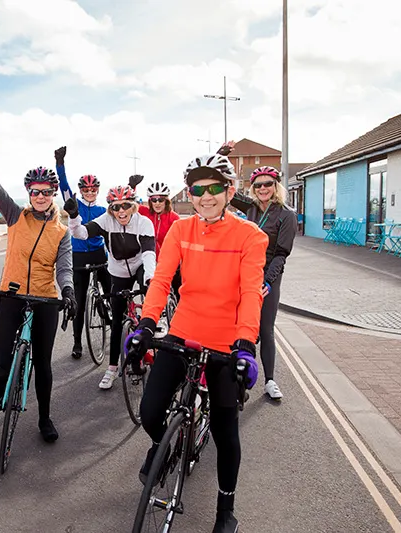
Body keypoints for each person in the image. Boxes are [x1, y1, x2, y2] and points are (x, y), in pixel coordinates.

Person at [126, 153, 268, 533]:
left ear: (230, 190)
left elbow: (252, 292)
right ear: (189, 193)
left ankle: (226, 509)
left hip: (226, 341)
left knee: (226, 431)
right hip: (183, 332)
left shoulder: (251, 236)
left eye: (214, 188)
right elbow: (161, 281)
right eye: (197, 189)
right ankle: (163, 445)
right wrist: (145, 325)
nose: (205, 196)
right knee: (151, 410)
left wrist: (245, 346)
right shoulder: (181, 230)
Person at [0, 133, 75, 443]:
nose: (41, 196)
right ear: (28, 193)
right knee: (3, 365)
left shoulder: (61, 230)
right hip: (11, 295)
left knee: (44, 364)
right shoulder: (14, 215)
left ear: (53, 194)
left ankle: (45, 418)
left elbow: (64, 267)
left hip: (45, 299)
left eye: (47, 192)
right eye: (35, 192)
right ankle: (1, 382)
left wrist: (68, 291)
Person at [63, 186, 156, 390]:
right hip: (118, 271)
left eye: (125, 206)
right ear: (111, 209)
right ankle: (112, 368)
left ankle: (151, 334)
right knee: (116, 322)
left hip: (140, 265)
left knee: (149, 297)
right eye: (115, 207)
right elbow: (80, 233)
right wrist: (73, 215)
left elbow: (149, 253)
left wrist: (150, 278)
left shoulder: (143, 222)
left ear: (133, 206)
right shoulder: (106, 221)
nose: (121, 211)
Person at [230, 165, 297, 400]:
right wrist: (222, 154)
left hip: (268, 276)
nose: (263, 188)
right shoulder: (249, 208)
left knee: (265, 329)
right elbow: (223, 185)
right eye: (258, 185)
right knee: (236, 325)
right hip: (242, 273)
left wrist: (268, 282)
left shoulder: (287, 215)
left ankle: (270, 380)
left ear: (276, 186)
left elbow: (282, 253)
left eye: (268, 184)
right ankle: (235, 374)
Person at [54, 146, 112, 359]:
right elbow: (64, 185)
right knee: (78, 301)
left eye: (92, 190)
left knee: (111, 291)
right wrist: (60, 164)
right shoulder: (74, 203)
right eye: (85, 190)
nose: (89, 192)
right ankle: (77, 342)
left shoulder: (103, 211)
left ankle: (113, 318)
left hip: (99, 255)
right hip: (77, 257)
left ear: (97, 191)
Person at [128, 175, 182, 298]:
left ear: (166, 200)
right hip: (150, 260)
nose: (157, 203)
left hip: (169, 260)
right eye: (154, 200)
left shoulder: (174, 218)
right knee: (150, 292)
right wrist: (132, 187)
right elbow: (129, 205)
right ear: (150, 201)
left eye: (161, 200)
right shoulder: (145, 213)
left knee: (179, 293)